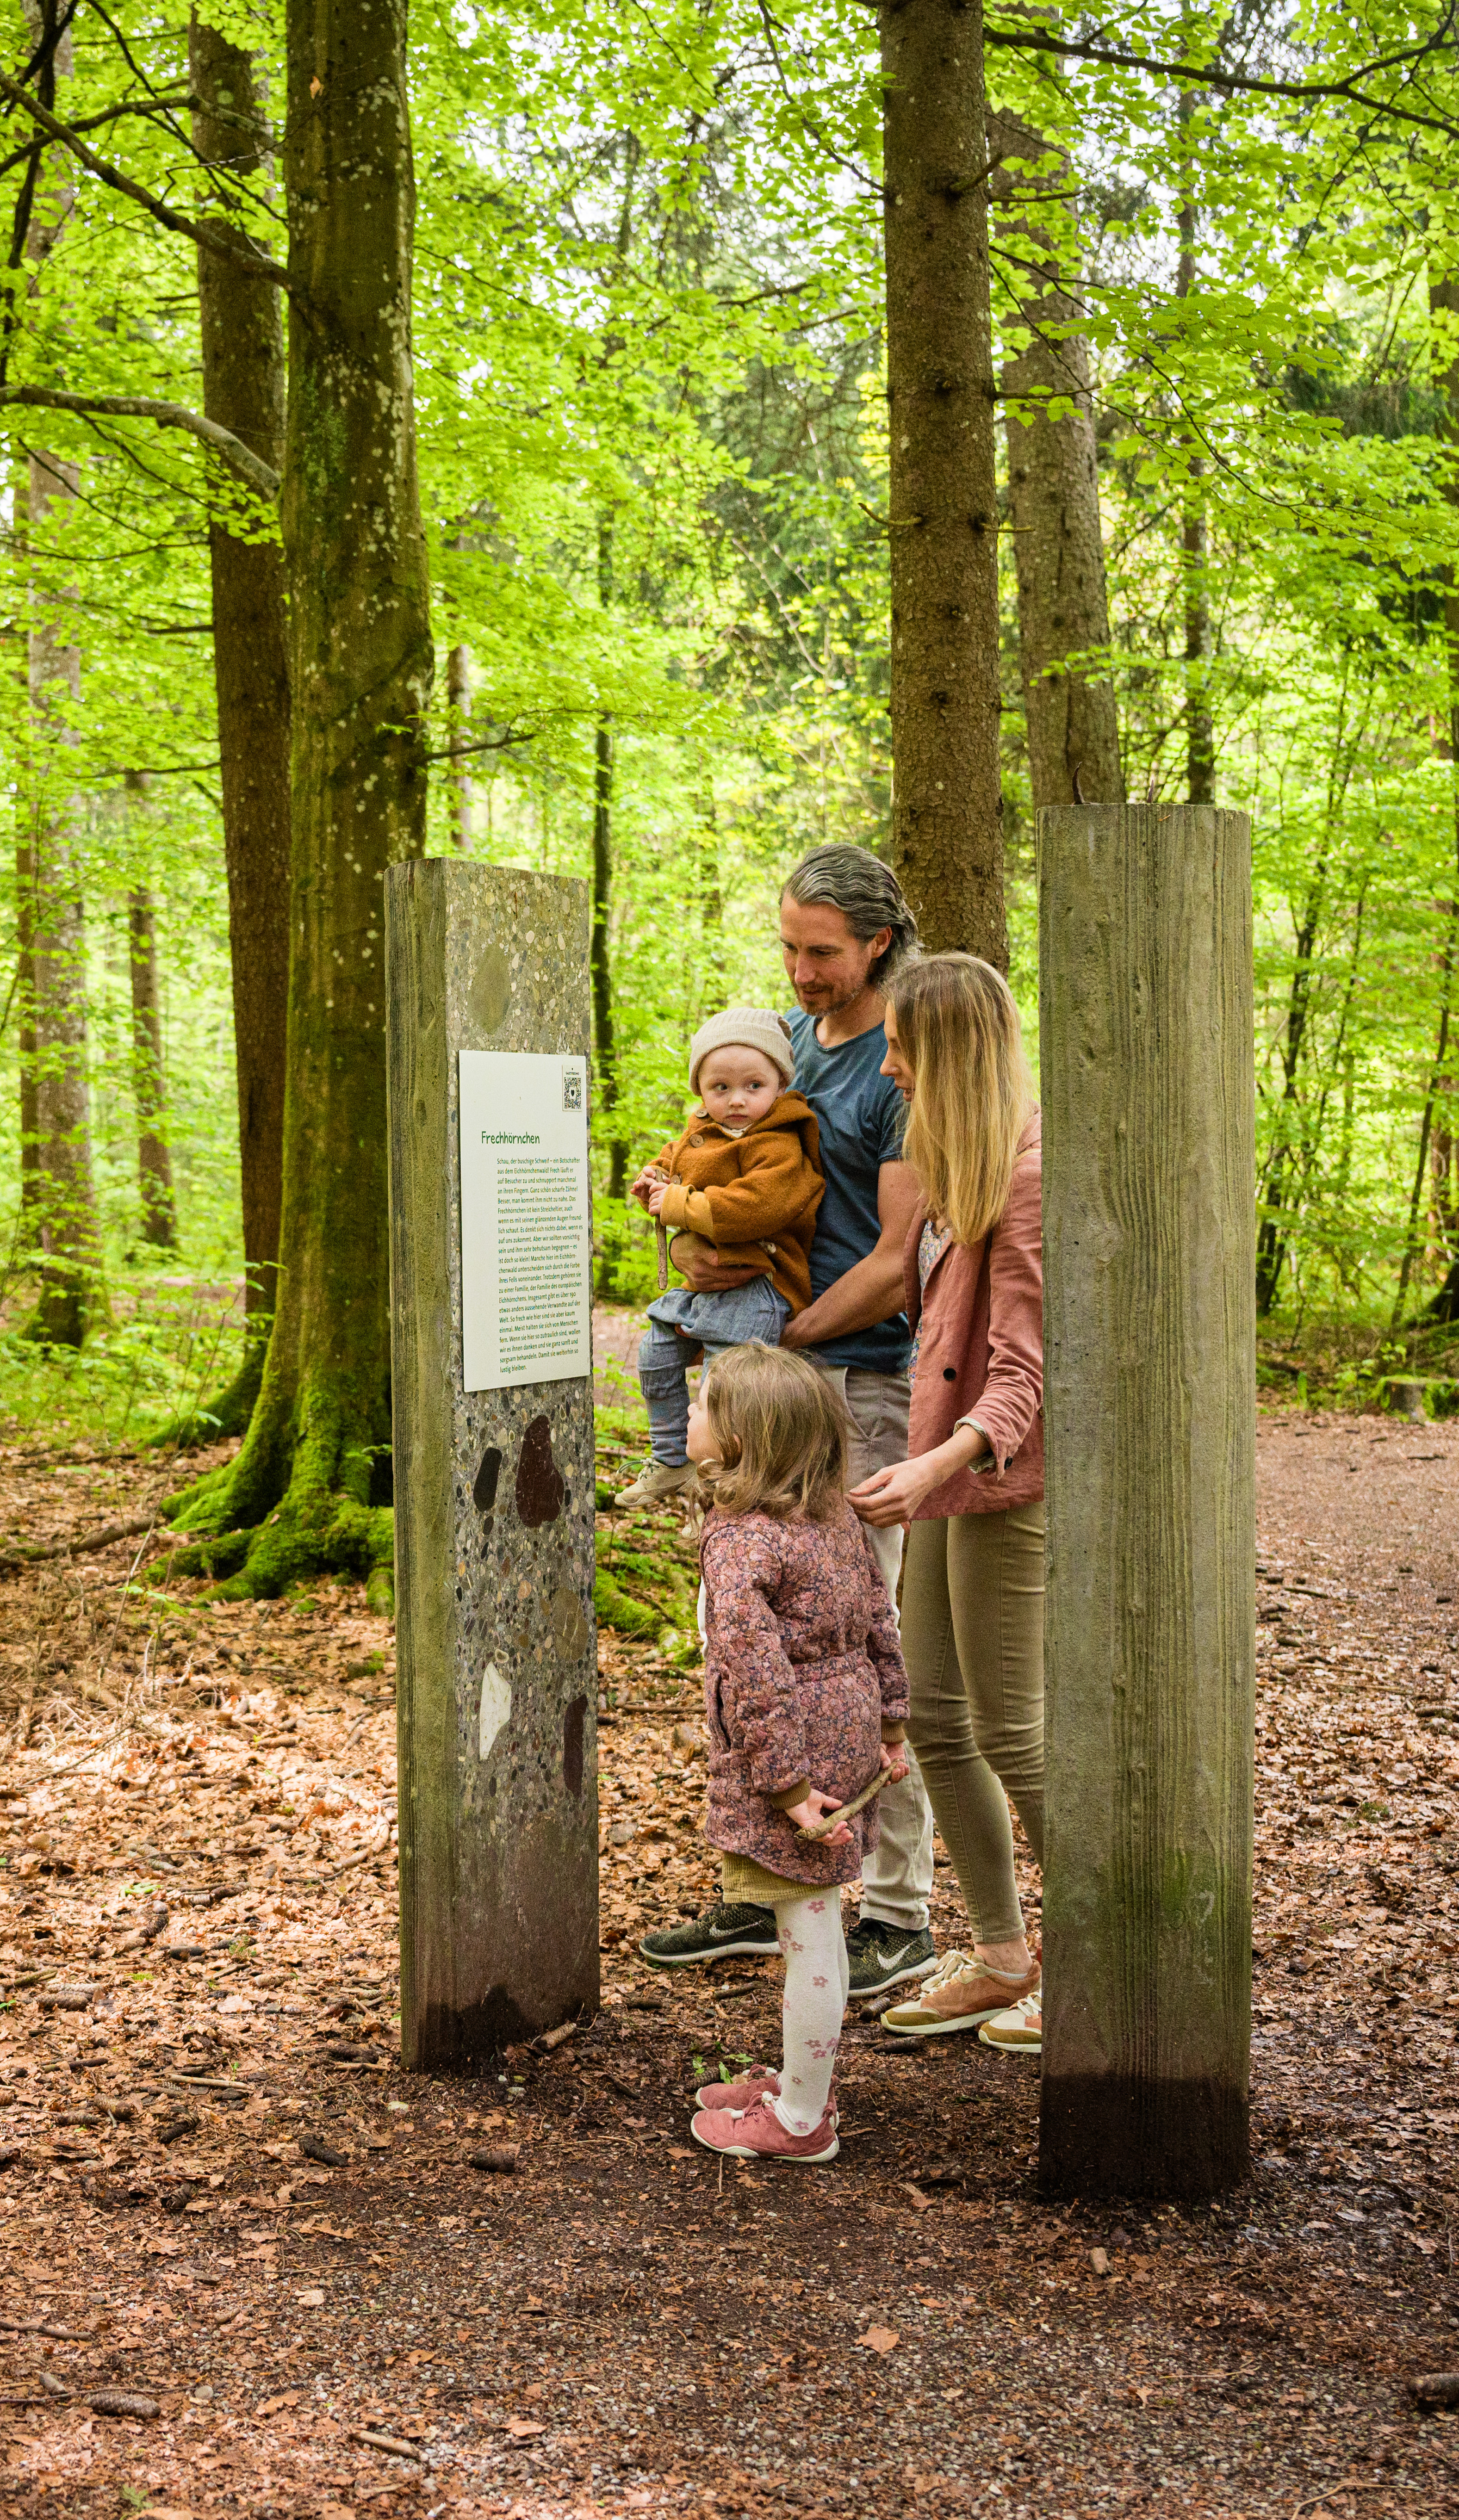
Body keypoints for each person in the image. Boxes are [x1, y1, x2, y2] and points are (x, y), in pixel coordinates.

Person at [636, 845, 937, 1998]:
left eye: (821, 951)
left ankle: (898, 1910)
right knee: (739, 1629)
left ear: (875, 942)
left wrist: (780, 1340)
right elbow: (715, 1183)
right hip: (758, 1384)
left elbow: (894, 1263)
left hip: (853, 1385)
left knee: (861, 1646)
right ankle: (767, 1886)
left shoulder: (894, 1067)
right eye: (788, 948)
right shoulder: (773, 1047)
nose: (801, 972)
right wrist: (689, 1247)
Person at [849, 953, 1049, 2056]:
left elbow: (1020, 1373)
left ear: (951, 1055)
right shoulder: (952, 1170)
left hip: (1002, 1484)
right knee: (929, 1713)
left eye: (902, 1049)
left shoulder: (1025, 1177)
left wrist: (934, 1468)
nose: (887, 1067)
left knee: (1012, 1727)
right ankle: (1001, 1953)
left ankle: (1099, 1961)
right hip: (942, 1478)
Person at [677, 1344, 910, 2165]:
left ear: (741, 1438)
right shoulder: (833, 1514)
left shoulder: (740, 1538)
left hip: (797, 1751)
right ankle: (800, 2078)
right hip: (847, 1729)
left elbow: (753, 1669)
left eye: (703, 1405)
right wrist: (891, 1719)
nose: (690, 1415)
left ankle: (803, 2118)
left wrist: (783, 1786)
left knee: (807, 1926)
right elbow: (882, 1614)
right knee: (819, 1920)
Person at [616, 1009, 825, 1511]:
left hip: (760, 1283)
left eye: (754, 1085)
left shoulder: (780, 1143)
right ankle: (670, 1458)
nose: (737, 1099)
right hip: (707, 1285)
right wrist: (655, 1177)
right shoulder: (703, 1130)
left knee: (724, 1391)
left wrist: (680, 1205)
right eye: (720, 1086)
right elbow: (674, 1157)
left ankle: (728, 1475)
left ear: (779, 1085)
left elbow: (757, 1208)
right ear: (701, 1090)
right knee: (655, 1357)